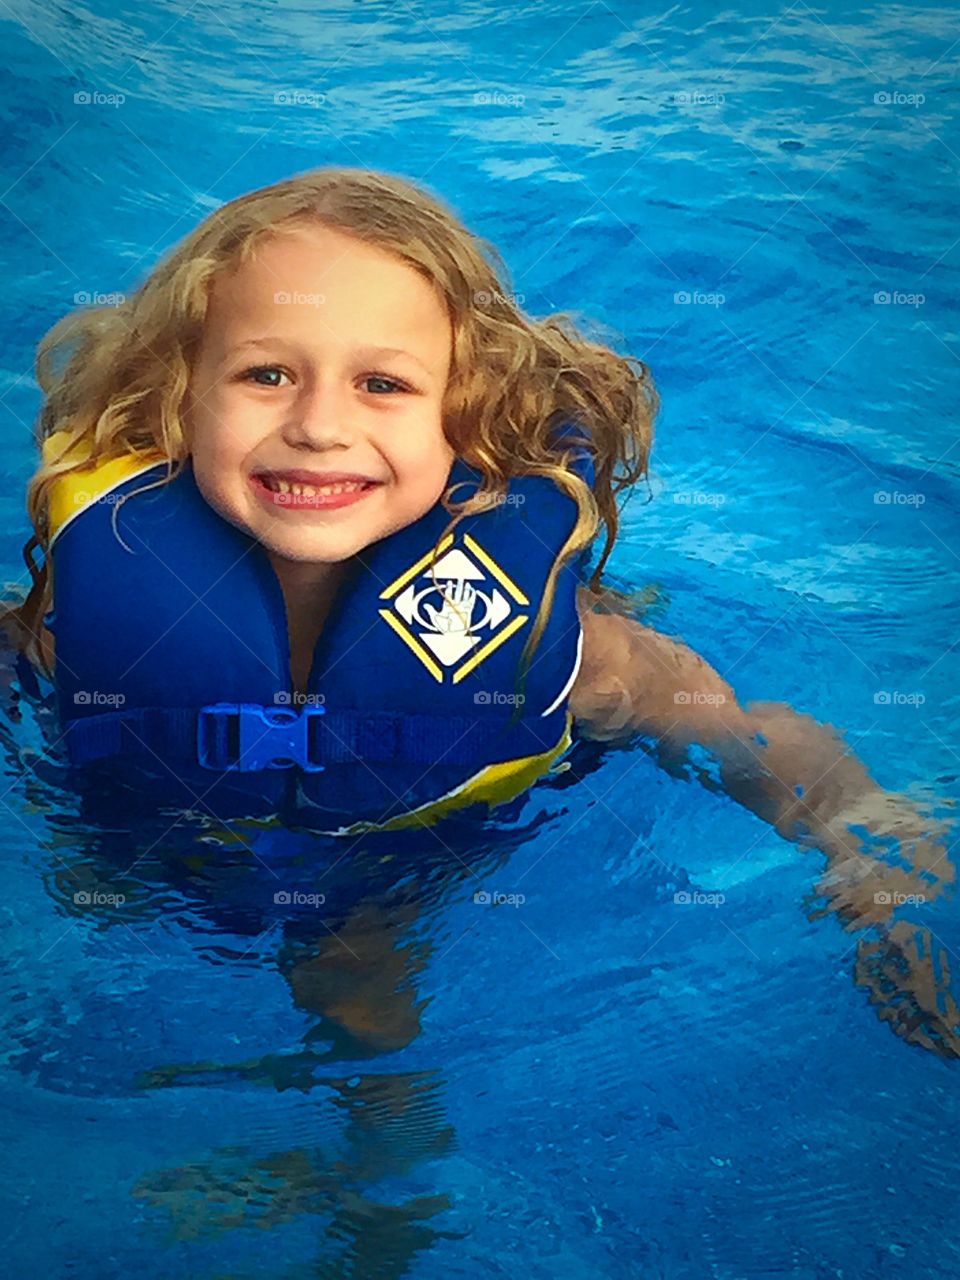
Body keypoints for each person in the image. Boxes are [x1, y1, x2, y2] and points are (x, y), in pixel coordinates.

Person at [0, 166, 953, 922]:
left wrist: (863, 836)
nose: (319, 425)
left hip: (404, 861)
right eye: (267, 374)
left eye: (384, 385)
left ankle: (371, 1155)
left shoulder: (557, 635)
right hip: (153, 843)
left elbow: (737, 729)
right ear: (179, 397)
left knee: (364, 1005)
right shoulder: (89, 594)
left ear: (466, 413)